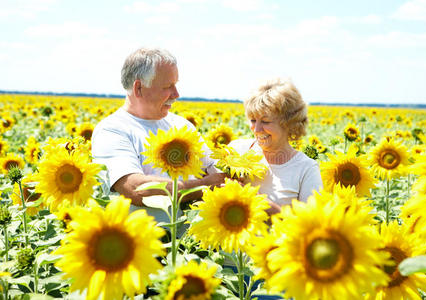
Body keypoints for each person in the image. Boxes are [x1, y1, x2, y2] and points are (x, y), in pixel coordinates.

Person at [91, 47, 225, 222]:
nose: (176, 94)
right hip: (146, 242)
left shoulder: (181, 125)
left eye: (176, 85)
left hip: (190, 244)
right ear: (138, 88)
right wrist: (205, 186)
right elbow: (137, 189)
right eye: (168, 86)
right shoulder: (112, 130)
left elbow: (213, 168)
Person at [230, 78, 322, 215]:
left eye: (266, 121)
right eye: (253, 120)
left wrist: (260, 203)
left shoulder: (306, 170)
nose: (256, 129)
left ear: (290, 124)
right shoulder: (236, 150)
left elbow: (310, 226)